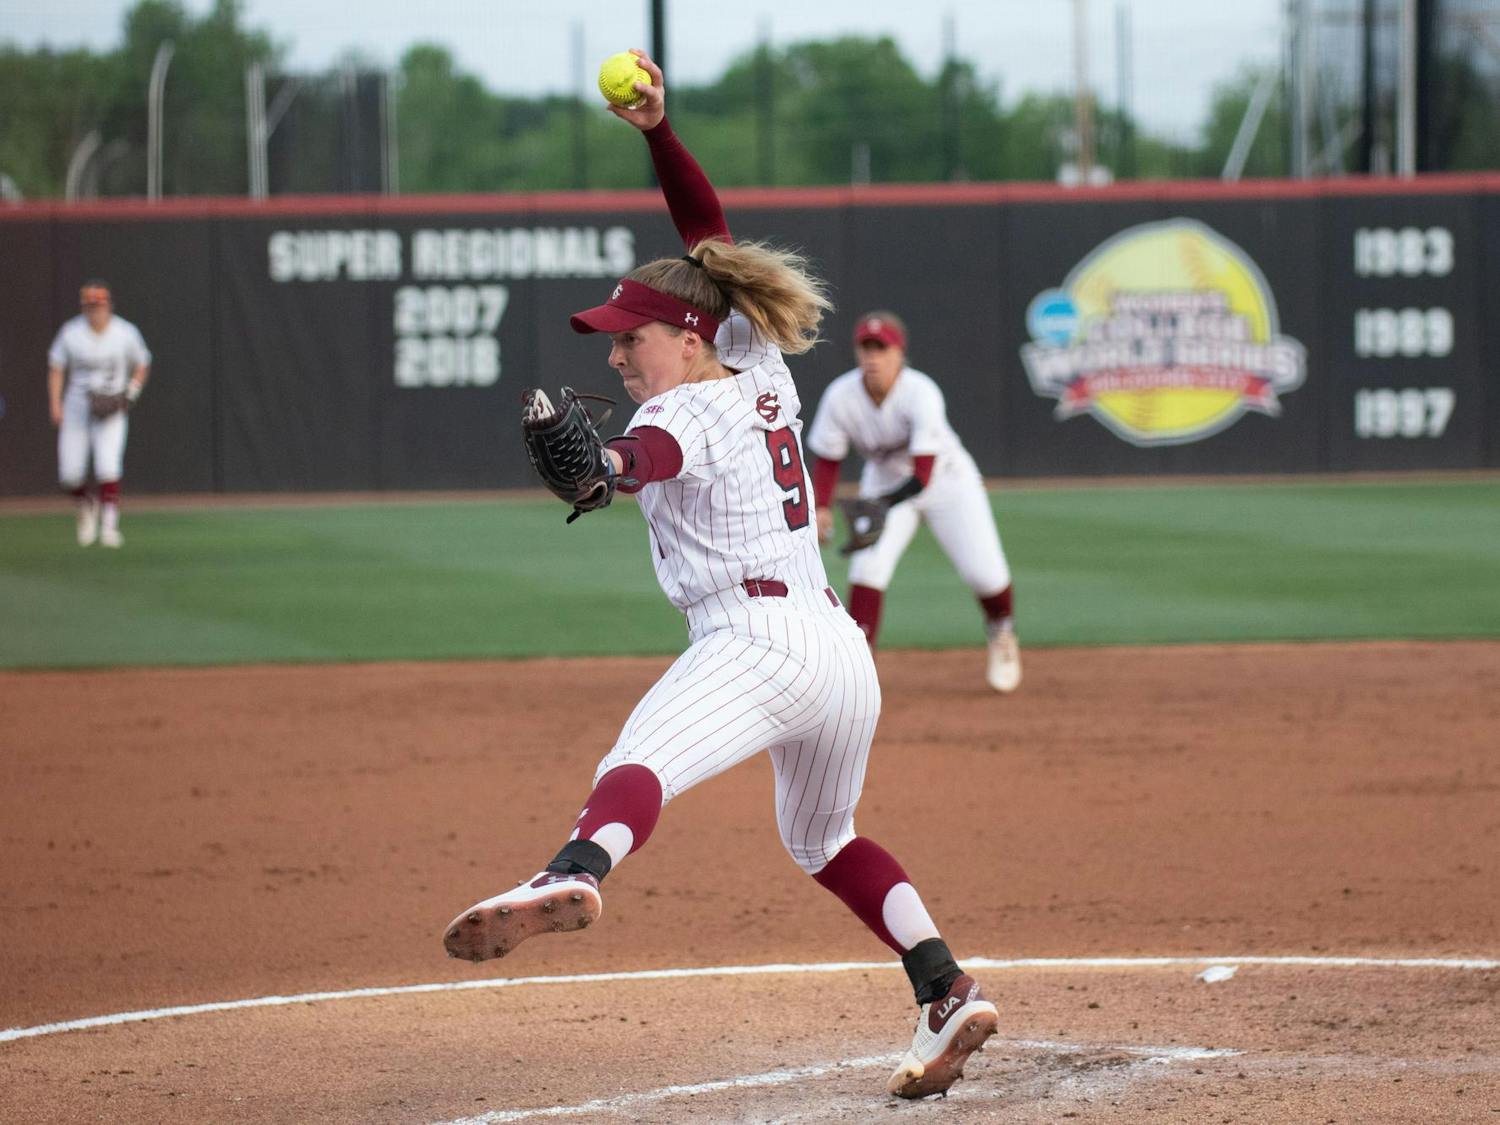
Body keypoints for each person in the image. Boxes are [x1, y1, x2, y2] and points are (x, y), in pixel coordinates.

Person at [442, 50, 998, 1101]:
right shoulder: (754, 357)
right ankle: (946, 988)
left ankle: (571, 874)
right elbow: (711, 240)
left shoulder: (680, 406)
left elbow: (641, 459)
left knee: (639, 753)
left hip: (756, 647)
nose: (615, 357)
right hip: (839, 651)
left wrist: (597, 465)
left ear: (687, 341)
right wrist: (658, 130)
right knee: (823, 838)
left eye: (629, 339)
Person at [806, 318, 1021, 692]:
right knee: (867, 572)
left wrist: (880, 505)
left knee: (986, 575)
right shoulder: (841, 396)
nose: (873, 357)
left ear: (899, 354)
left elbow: (922, 474)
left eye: (881, 348)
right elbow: (828, 459)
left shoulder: (921, 392)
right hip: (885, 484)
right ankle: (859, 672)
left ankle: (1002, 632)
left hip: (948, 483)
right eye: (866, 348)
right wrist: (821, 507)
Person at [46, 280, 151, 548]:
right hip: (78, 406)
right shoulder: (71, 332)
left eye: (99, 306)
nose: (95, 311)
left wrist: (131, 392)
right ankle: (86, 504)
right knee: (69, 474)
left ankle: (109, 528)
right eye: (90, 306)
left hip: (112, 406)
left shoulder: (125, 332)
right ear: (83, 307)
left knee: (108, 465)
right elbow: (57, 366)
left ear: (108, 306)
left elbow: (142, 362)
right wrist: (55, 402)